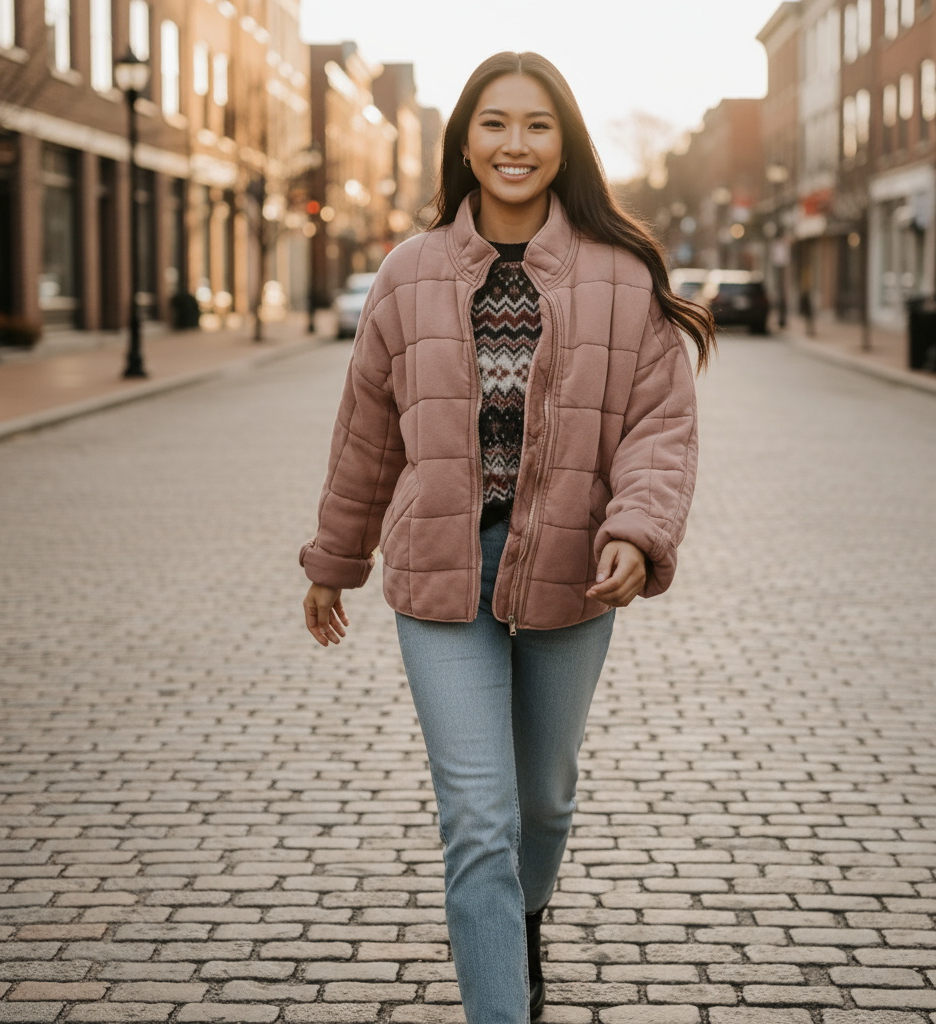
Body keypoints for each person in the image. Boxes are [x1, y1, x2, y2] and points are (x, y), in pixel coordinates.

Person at [301, 51, 714, 1024]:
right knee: (479, 817)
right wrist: (334, 559)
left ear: (563, 141)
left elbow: (660, 427)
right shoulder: (407, 273)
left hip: (575, 563)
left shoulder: (622, 271)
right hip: (443, 571)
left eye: (536, 124)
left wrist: (637, 530)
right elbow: (366, 433)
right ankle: (501, 1004)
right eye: (494, 123)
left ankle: (520, 918)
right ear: (464, 141)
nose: (514, 144)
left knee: (543, 803)